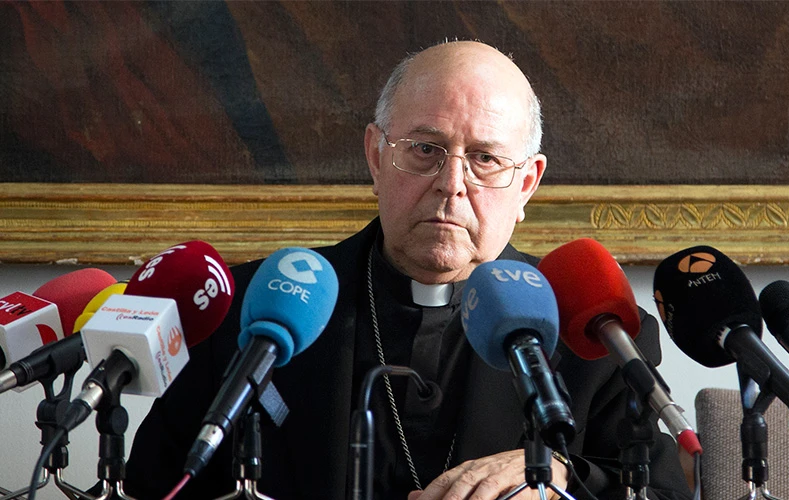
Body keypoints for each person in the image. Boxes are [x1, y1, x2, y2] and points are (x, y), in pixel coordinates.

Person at [124, 41, 692, 500]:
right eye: (425, 149)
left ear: (526, 184)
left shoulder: (596, 333)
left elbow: (661, 492)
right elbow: (153, 486)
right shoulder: (248, 308)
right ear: (376, 156)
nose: (451, 184)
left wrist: (560, 477)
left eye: (485, 159)